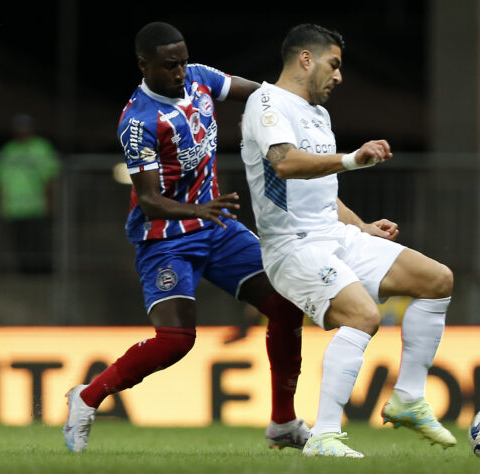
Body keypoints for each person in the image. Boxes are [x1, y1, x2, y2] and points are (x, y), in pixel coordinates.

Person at [63, 22, 307, 453]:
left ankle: (283, 423)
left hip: (214, 227)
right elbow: (150, 199)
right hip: (166, 238)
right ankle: (86, 398)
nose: (180, 72)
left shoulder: (200, 77)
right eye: (169, 65)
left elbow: (257, 92)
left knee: (286, 307)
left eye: (182, 61)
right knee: (176, 342)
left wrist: (292, 97)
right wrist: (198, 209)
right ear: (144, 65)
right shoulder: (139, 121)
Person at [240, 24, 457, 458]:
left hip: (335, 236)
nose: (339, 76)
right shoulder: (266, 102)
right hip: (293, 247)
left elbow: (322, 191)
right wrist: (352, 159)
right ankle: (323, 435)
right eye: (334, 64)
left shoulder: (319, 115)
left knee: (437, 279)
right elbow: (285, 165)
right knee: (363, 315)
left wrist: (362, 228)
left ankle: (409, 399)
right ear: (306, 58)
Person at [0, 114, 59, 273]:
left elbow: (50, 177)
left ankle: (43, 272)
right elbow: (1, 179)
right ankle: (25, 273)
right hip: (14, 207)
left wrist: (50, 202)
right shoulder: (8, 150)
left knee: (39, 241)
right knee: (19, 242)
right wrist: (0, 204)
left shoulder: (41, 147)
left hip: (36, 206)